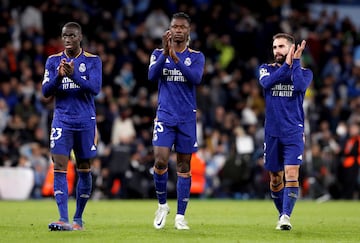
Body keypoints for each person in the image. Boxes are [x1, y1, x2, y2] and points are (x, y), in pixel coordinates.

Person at [42, 22, 102, 231]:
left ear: (80, 37)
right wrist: (59, 76)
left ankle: (78, 219)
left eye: (72, 36)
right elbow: (46, 91)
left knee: (84, 168)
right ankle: (63, 218)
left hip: (85, 121)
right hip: (62, 120)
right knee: (59, 166)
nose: (68, 39)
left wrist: (74, 75)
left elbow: (95, 88)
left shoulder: (93, 61)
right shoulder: (53, 61)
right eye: (65, 36)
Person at [148, 12, 205, 230]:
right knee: (160, 161)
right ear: (169, 30)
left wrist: (175, 58)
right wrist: (165, 53)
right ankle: (162, 205)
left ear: (188, 30)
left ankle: (180, 216)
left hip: (187, 117)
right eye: (175, 27)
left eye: (182, 27)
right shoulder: (157, 53)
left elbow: (195, 79)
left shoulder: (197, 56)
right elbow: (152, 77)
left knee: (184, 165)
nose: (178, 30)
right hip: (165, 115)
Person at [258, 33, 313, 230]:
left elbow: (298, 86)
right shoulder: (265, 69)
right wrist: (288, 66)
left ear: (291, 49)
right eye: (274, 47)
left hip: (293, 132)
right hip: (272, 133)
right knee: (275, 179)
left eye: (281, 47)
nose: (277, 51)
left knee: (291, 173)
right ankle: (282, 213)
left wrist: (295, 63)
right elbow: (266, 83)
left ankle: (286, 218)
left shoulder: (305, 73)